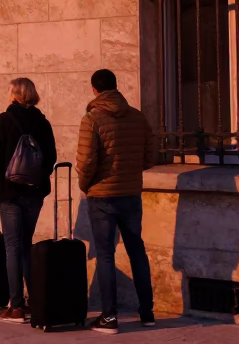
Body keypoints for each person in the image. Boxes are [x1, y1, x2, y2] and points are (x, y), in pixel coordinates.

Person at [76, 68, 157, 334]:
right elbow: (150, 155)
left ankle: (109, 318)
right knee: (137, 252)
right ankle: (147, 313)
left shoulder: (93, 119)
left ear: (94, 90)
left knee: (105, 255)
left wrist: (85, 185)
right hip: (131, 194)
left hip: (102, 196)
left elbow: (87, 161)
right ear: (116, 86)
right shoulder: (137, 117)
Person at [0, 77, 57, 324]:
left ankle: (15, 306)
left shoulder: (4, 121)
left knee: (12, 247)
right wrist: (36, 177)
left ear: (15, 94)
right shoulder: (43, 122)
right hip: (34, 192)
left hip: (9, 192)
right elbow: (51, 158)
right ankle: (34, 302)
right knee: (26, 245)